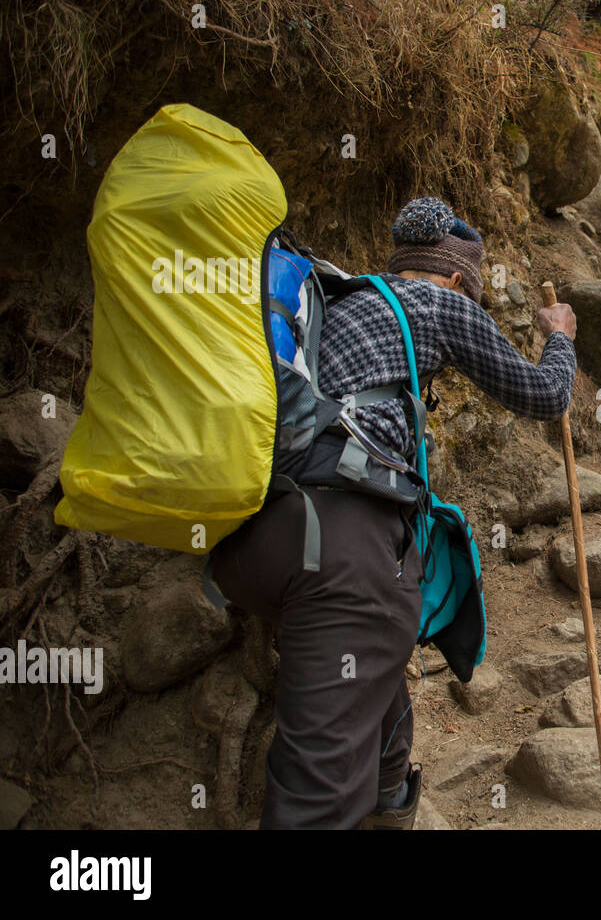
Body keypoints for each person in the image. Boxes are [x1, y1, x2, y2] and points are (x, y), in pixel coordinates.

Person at [210, 197, 577, 829]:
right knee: (316, 801)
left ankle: (389, 800)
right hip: (344, 550)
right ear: (458, 278)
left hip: (254, 541)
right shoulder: (438, 302)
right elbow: (544, 394)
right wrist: (559, 338)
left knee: (379, 702)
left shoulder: (335, 300)